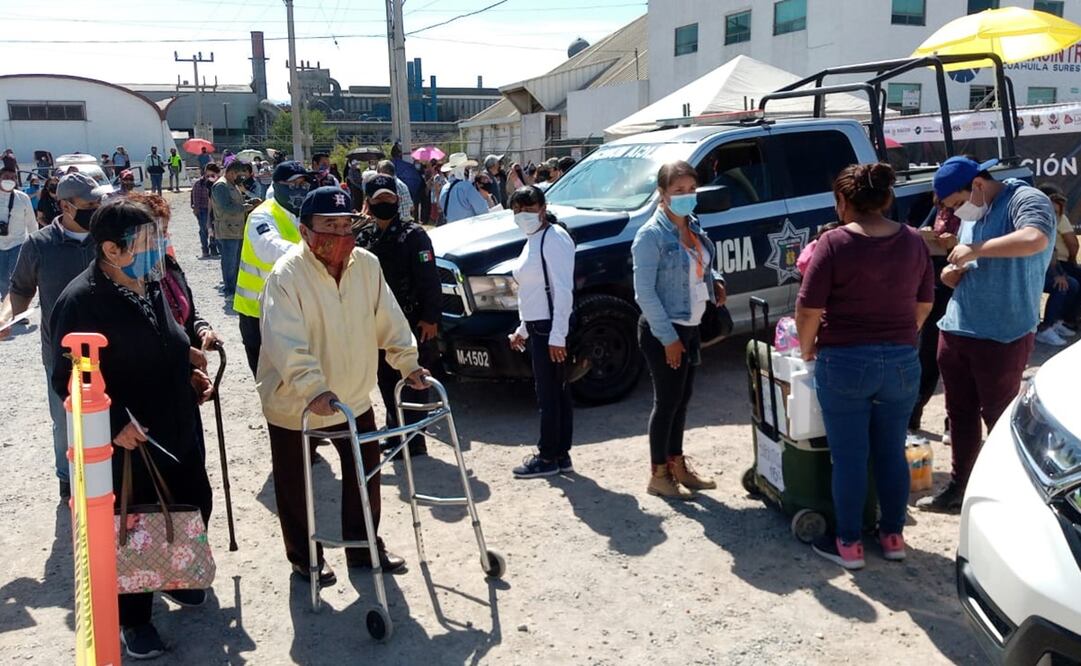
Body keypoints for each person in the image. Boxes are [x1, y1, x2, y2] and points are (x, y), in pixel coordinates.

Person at [49, 197, 214, 660]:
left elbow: (166, 340)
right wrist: (116, 420)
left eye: (158, 237)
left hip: (175, 422)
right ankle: (134, 620)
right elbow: (69, 377)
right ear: (111, 250)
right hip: (130, 440)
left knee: (187, 502)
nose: (158, 247)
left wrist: (186, 369)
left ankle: (173, 576)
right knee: (135, 523)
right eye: (146, 241)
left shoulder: (150, 282)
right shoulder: (82, 302)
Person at [259, 186, 428, 584]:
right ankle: (305, 558)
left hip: (352, 395)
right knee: (295, 483)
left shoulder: (365, 265)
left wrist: (408, 363)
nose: (340, 234)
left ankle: (363, 545)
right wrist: (313, 388)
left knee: (365, 475)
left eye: (345, 224)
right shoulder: (286, 276)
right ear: (304, 231)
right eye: (328, 226)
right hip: (296, 403)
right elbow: (285, 341)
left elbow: (388, 316)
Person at [796, 163, 934, 570]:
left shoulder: (834, 243)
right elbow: (924, 304)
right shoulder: (912, 240)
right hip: (902, 361)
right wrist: (901, 334)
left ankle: (850, 544)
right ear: (887, 199)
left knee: (850, 457)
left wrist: (807, 350)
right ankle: (893, 536)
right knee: (891, 451)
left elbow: (808, 309)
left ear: (842, 202)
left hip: (845, 360)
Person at [917, 156, 1056, 513]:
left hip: (1003, 332)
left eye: (957, 203)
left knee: (1001, 418)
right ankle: (961, 487)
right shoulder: (973, 213)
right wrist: (953, 273)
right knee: (959, 414)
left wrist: (977, 249)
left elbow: (1035, 238)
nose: (957, 212)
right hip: (957, 327)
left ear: (977, 185)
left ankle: (1011, 494)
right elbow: (972, 260)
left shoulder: (1026, 200)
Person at [0, 173, 104, 501]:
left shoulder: (109, 238)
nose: (97, 209)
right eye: (89, 205)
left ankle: (109, 478)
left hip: (110, 348)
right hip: (61, 356)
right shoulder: (39, 245)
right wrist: (4, 319)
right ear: (65, 206)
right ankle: (67, 478)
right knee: (65, 421)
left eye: (99, 203)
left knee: (113, 415)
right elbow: (20, 291)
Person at [632, 161, 725, 500]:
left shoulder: (693, 225)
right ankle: (659, 474)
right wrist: (668, 338)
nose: (686, 197)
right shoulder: (650, 236)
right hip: (664, 330)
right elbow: (645, 292)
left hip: (690, 324)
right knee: (667, 401)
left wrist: (715, 281)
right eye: (678, 191)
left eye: (690, 190)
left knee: (682, 400)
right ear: (662, 194)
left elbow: (700, 265)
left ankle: (677, 464)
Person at [356, 175, 441, 457]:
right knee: (386, 379)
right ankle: (395, 432)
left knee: (412, 381)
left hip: (412, 322)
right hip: (377, 324)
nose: (384, 204)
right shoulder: (364, 235)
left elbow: (430, 279)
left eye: (389, 199)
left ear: (397, 200)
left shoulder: (413, 235)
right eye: (378, 200)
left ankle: (414, 440)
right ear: (368, 203)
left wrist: (430, 317)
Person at [502, 186, 576, 478]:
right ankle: (559, 454)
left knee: (550, 395)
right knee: (553, 393)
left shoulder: (553, 238)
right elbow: (531, 291)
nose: (524, 215)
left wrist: (557, 335)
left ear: (543, 208)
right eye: (518, 210)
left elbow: (562, 290)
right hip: (538, 326)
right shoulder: (532, 239)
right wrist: (523, 328)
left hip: (549, 328)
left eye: (530, 208)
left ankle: (548, 456)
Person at [234, 161, 312, 374]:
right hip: (257, 314)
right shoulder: (262, 215)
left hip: (290, 311)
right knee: (271, 384)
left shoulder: (303, 215)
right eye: (294, 184)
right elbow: (270, 247)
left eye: (304, 184)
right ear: (277, 186)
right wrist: (315, 254)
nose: (301, 189)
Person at [909, 200, 960, 437]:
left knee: (956, 361)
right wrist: (928, 235)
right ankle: (912, 415)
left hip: (961, 288)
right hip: (935, 286)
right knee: (927, 353)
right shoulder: (941, 209)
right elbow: (919, 230)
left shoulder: (978, 212)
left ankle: (954, 424)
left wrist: (955, 243)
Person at [1034, 186, 1079, 346]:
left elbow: (1052, 257)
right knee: (1062, 285)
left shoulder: (1051, 225)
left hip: (1047, 268)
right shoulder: (1034, 223)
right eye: (1051, 211)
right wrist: (1057, 276)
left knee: (1071, 283)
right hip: (1030, 273)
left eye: (1057, 213)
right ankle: (1044, 329)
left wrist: (1060, 274)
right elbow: (1040, 258)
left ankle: (1057, 321)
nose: (1054, 217)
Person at [211, 161, 257, 302]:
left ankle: (236, 289)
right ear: (232, 173)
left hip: (236, 229)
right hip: (227, 230)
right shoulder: (221, 186)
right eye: (239, 175)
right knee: (229, 263)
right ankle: (229, 290)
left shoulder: (232, 185)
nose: (241, 178)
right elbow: (226, 207)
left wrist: (249, 201)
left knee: (237, 261)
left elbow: (236, 201)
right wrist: (247, 207)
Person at [0, 166, 37, 298]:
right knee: (2, 281)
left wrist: (34, 244)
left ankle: (17, 310)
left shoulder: (23, 198)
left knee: (16, 279)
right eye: (5, 177)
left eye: (12, 178)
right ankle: (7, 308)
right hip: (0, 247)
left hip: (18, 244)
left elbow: (32, 222)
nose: (9, 180)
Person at [439, 153, 490, 223]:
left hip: (450, 228)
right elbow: (483, 210)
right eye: (467, 168)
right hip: (467, 228)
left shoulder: (444, 188)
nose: (469, 171)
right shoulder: (466, 187)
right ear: (462, 170)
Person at [191, 163, 220, 259]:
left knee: (214, 229)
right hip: (203, 209)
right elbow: (196, 199)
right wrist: (196, 210)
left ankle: (214, 248)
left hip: (215, 209)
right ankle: (205, 249)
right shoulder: (199, 183)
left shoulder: (218, 183)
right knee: (204, 230)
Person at [390, 142, 423, 215]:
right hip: (406, 202)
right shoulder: (409, 167)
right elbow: (417, 181)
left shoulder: (386, 166)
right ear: (401, 154)